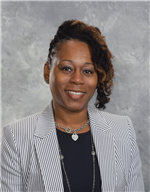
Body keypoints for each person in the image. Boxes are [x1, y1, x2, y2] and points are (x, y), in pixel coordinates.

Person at [1, 20, 144, 192]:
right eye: (67, 68)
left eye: (87, 71)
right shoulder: (17, 136)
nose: (77, 79)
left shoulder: (123, 130)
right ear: (47, 71)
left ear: (97, 77)